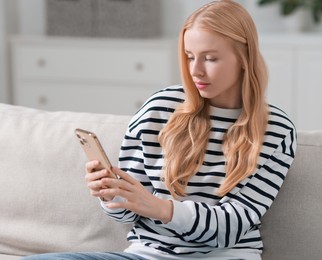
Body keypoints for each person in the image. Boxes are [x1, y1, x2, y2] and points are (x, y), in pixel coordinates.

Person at [23, 0, 296, 259]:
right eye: (189, 57)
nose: (196, 71)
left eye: (210, 59)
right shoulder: (161, 107)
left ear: (244, 58)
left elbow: (231, 226)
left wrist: (163, 209)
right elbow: (128, 214)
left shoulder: (276, 131)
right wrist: (112, 194)